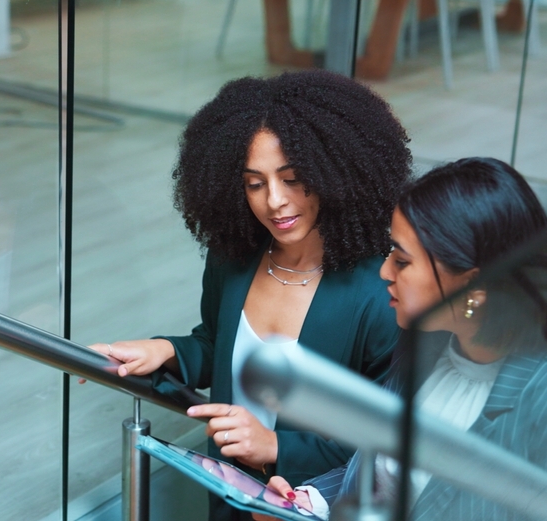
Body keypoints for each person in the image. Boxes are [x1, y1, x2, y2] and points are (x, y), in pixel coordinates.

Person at [89, 69, 413, 520]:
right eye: (254, 183)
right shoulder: (233, 259)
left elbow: (386, 439)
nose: (274, 201)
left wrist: (276, 447)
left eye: (293, 178)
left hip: (312, 507)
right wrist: (165, 350)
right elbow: (217, 344)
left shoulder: (379, 296)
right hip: (229, 497)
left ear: (335, 171)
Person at [257, 157, 547, 521]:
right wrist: (308, 503)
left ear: (471, 287)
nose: (385, 271)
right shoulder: (427, 345)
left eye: (402, 261)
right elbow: (383, 478)